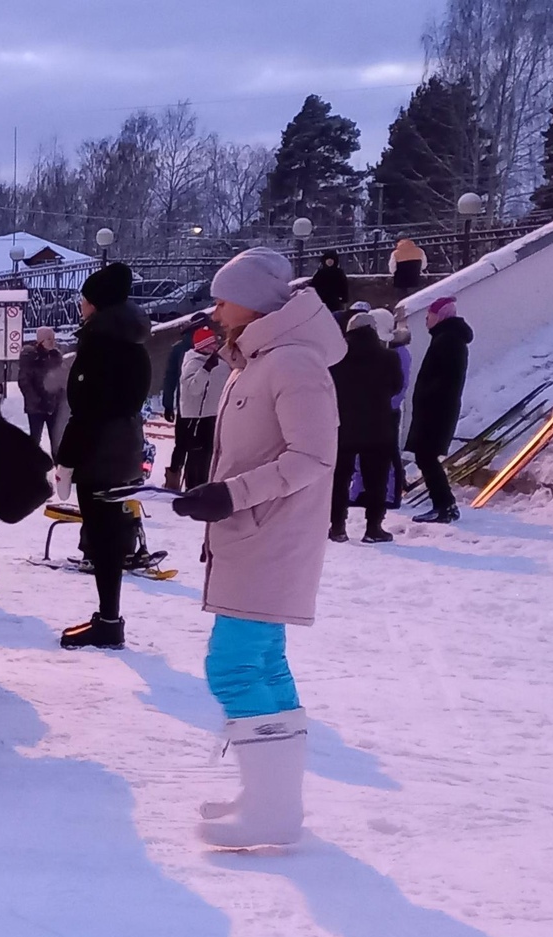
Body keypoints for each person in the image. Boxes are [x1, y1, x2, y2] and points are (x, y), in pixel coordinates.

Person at [165, 247, 340, 850]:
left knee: (234, 665)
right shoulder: (257, 359)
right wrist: (216, 495)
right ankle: (272, 799)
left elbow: (313, 456)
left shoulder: (292, 362)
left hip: (271, 535)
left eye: (222, 297)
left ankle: (271, 806)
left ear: (256, 301)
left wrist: (231, 495)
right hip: (251, 532)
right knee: (262, 661)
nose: (214, 308)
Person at [57, 263, 152, 649]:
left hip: (99, 451)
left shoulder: (100, 344)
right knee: (110, 531)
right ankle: (109, 617)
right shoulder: (133, 341)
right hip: (125, 445)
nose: (80, 307)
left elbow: (87, 409)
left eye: (83, 300)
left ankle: (109, 621)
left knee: (102, 536)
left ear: (95, 303)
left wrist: (66, 459)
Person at [328, 312, 403, 543]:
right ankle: (373, 528)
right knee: (376, 480)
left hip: (344, 427)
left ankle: (338, 527)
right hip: (378, 426)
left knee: (340, 479)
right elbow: (396, 387)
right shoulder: (389, 357)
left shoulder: (335, 359)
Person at [405, 296, 472, 522]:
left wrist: (426, 397)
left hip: (436, 410)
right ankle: (445, 504)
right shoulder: (448, 338)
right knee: (426, 457)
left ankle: (444, 506)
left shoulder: (448, 340)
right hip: (437, 408)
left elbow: (444, 380)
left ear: (440, 316)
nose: (426, 320)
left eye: (429, 316)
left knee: (426, 457)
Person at [172, 327, 225, 491]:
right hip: (194, 416)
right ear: (202, 346)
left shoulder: (220, 361)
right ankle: (190, 487)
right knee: (194, 453)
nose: (214, 348)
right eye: (211, 345)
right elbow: (194, 389)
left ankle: (204, 486)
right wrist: (206, 369)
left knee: (208, 453)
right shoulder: (192, 362)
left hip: (213, 414)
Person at [16, 325, 68, 464]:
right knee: (35, 439)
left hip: (54, 405)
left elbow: (61, 378)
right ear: (40, 341)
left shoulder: (56, 356)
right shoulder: (30, 356)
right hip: (36, 407)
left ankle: (60, 468)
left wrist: (61, 399)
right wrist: (36, 400)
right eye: (49, 339)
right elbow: (24, 381)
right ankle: (31, 467)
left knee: (57, 439)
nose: (53, 342)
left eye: (53, 338)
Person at [308, 250, 351, 314]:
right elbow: (314, 285)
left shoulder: (339, 272)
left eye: (331, 260)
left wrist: (344, 299)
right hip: (322, 300)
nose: (329, 262)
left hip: (335, 300)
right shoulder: (320, 273)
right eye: (328, 260)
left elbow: (344, 286)